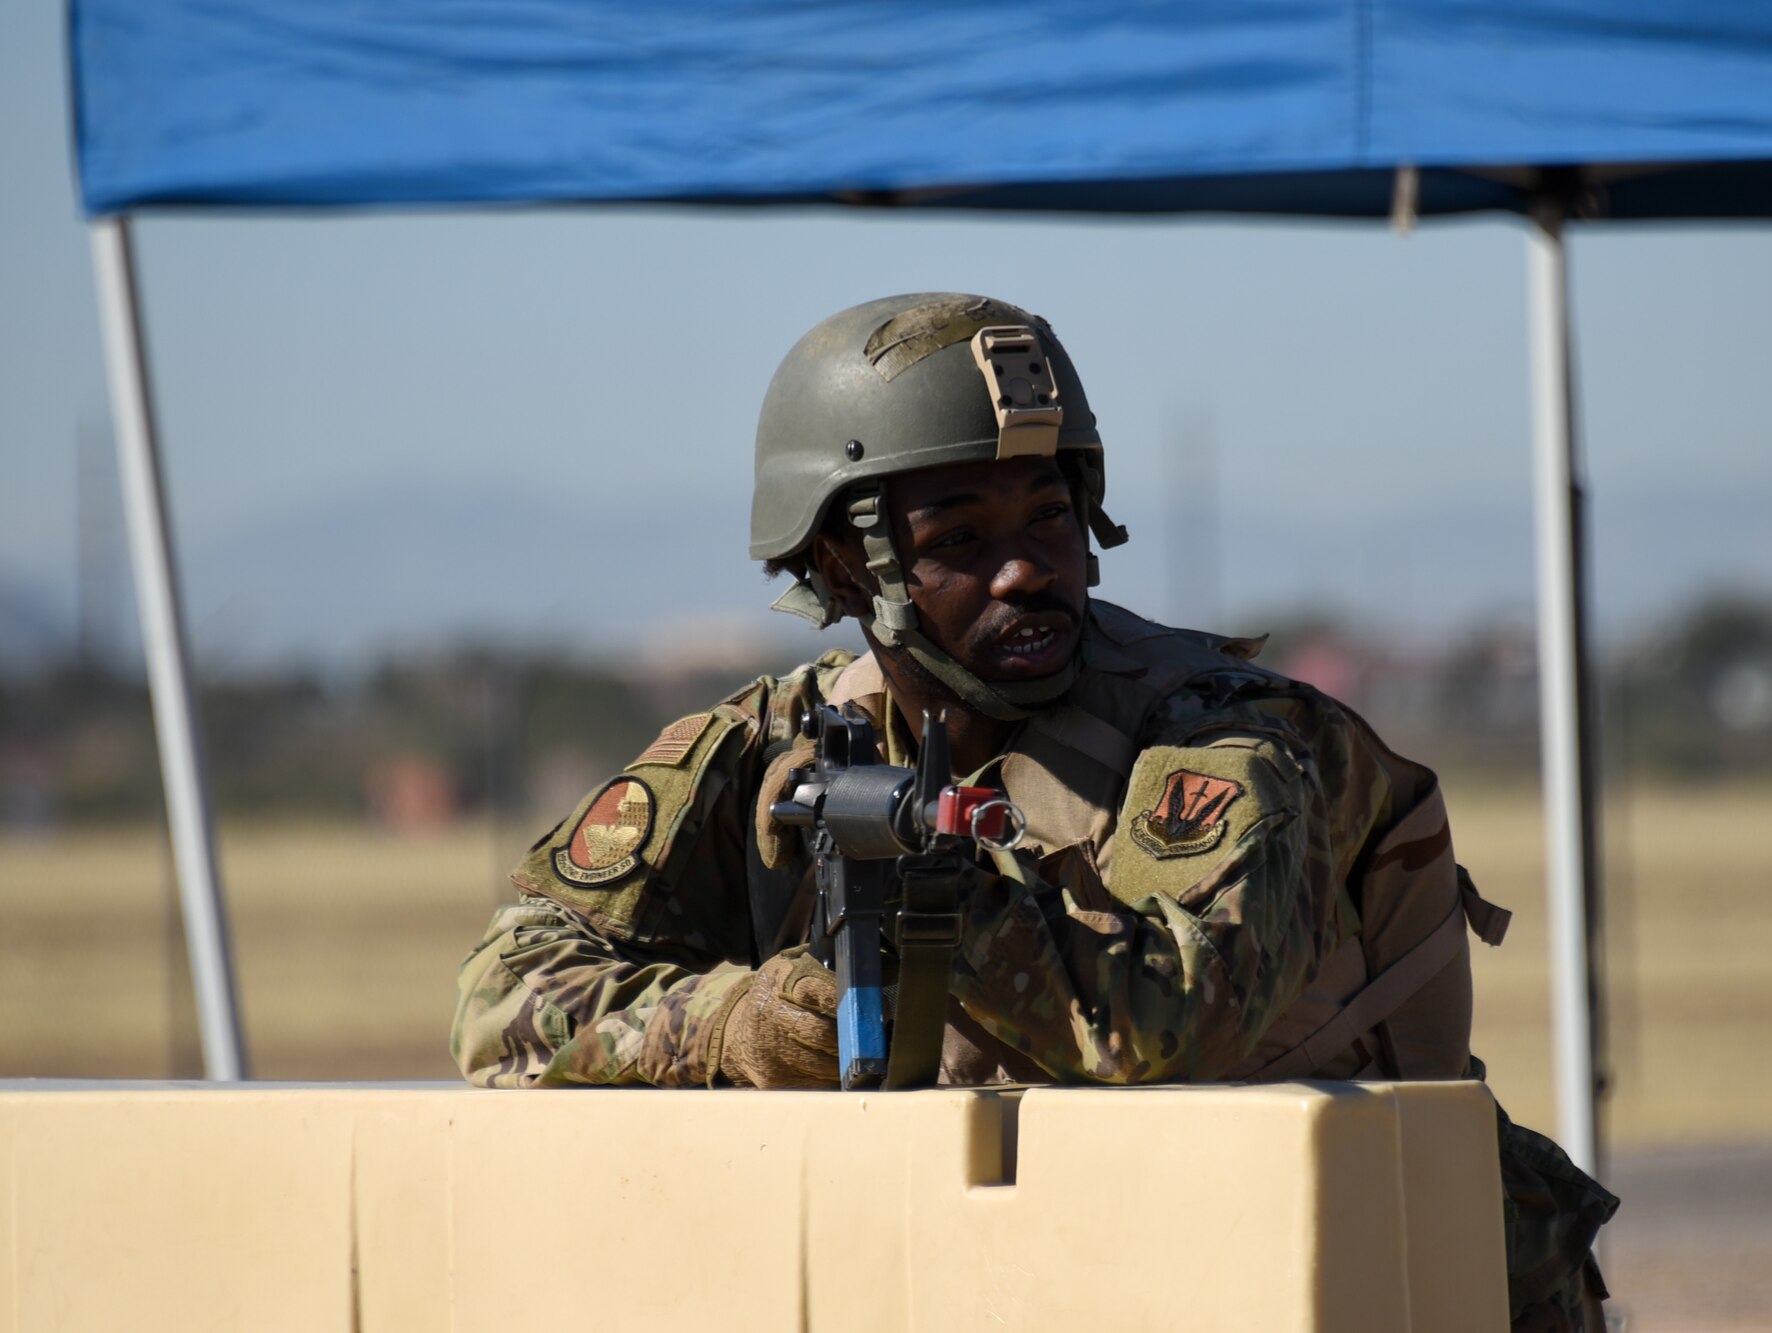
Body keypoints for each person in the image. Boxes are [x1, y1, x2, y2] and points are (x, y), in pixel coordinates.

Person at [451, 292, 1615, 1328]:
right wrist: (730, 1026)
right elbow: (504, 992)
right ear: (844, 567)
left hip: (1382, 1278)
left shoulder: (1229, 736)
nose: (1025, 570)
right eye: (960, 539)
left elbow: (1172, 1020)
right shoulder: (771, 745)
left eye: (1047, 517)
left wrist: (925, 905)